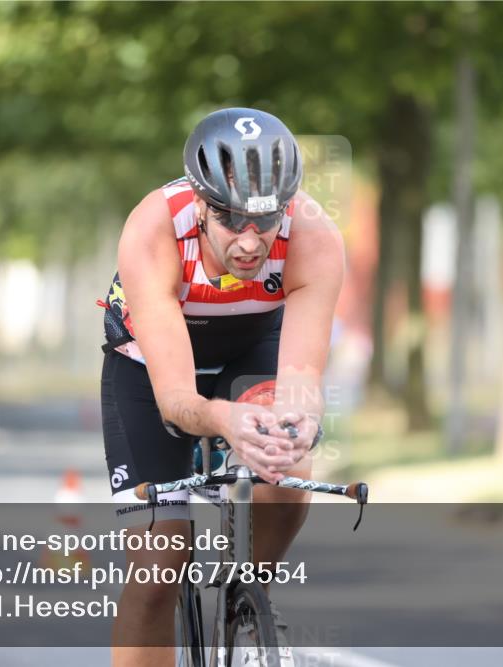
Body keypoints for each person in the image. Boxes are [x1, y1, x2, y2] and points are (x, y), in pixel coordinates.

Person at [98, 107, 344, 666]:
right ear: (202, 205)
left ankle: (249, 597)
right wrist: (224, 420)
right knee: (161, 561)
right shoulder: (154, 229)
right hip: (149, 366)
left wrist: (299, 423)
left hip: (250, 347)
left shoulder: (315, 236)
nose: (252, 241)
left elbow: (301, 377)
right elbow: (178, 400)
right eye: (233, 220)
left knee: (287, 470)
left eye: (266, 219)